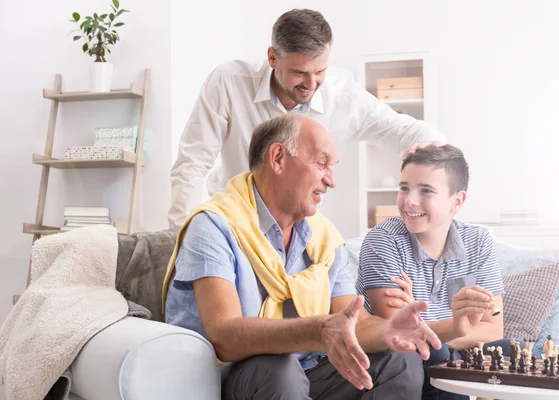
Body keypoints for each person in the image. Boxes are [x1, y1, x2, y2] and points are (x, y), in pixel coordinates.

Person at [162, 114, 457, 399]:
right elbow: (224, 337)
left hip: (304, 373)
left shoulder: (325, 238)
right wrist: (319, 329)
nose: (331, 181)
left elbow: (351, 320)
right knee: (278, 367)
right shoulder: (213, 226)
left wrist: (387, 329)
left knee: (396, 359)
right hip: (223, 378)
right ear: (277, 158)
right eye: (322, 163)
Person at [168, 8, 445, 227]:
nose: (311, 84)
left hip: (298, 230)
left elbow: (404, 130)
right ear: (273, 58)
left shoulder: (344, 97)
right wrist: (186, 234)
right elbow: (192, 164)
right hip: (233, 220)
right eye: (300, 73)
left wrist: (427, 147)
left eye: (320, 71)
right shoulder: (229, 82)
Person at [356, 145, 521, 400]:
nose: (409, 200)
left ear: (457, 201)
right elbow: (402, 334)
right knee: (438, 355)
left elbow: (492, 329)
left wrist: (444, 331)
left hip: (448, 350)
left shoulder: (478, 241)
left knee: (514, 350)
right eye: (404, 188)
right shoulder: (383, 241)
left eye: (426, 191)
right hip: (402, 360)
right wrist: (459, 327)